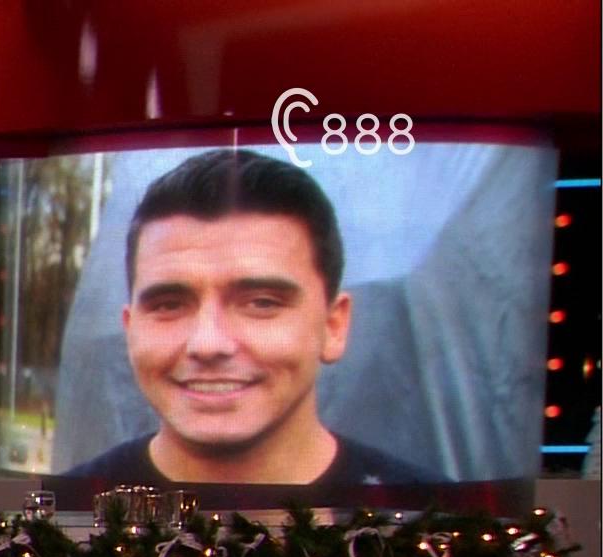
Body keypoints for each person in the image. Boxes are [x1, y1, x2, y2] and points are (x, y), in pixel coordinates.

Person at [71, 148, 437, 488]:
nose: (208, 344)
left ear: (333, 326)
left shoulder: (435, 520)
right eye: (169, 305)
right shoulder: (60, 515)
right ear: (131, 329)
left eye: (261, 303)